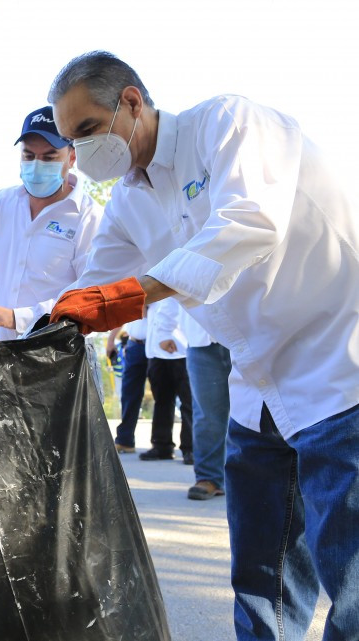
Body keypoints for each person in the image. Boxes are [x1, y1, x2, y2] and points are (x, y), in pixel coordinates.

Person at [47, 50, 359, 641]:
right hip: (257, 390)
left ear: (132, 102)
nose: (82, 151)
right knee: (262, 588)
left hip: (337, 371)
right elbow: (84, 291)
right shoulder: (129, 202)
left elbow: (249, 222)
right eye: (71, 140)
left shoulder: (228, 125)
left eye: (87, 129)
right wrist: (28, 333)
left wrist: (137, 292)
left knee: (353, 585)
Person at [0, 105, 103, 343]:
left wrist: (18, 317)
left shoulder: (88, 216)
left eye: (49, 157)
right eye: (29, 156)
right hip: (4, 354)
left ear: (72, 157)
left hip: (59, 356)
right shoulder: (4, 203)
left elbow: (90, 295)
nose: (37, 164)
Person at [181, 313, 231, 501]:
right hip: (201, 337)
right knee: (207, 415)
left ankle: (268, 479)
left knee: (262, 412)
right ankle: (209, 477)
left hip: (251, 331)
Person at [141, 298, 192, 463]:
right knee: (162, 401)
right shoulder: (149, 278)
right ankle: (162, 446)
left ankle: (190, 448)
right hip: (156, 352)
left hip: (180, 349)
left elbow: (172, 306)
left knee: (189, 403)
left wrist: (166, 335)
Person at [107, 318, 150, 453]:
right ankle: (125, 440)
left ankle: (163, 444)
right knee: (129, 394)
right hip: (134, 344)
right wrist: (111, 340)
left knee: (164, 395)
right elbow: (124, 313)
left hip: (158, 345)